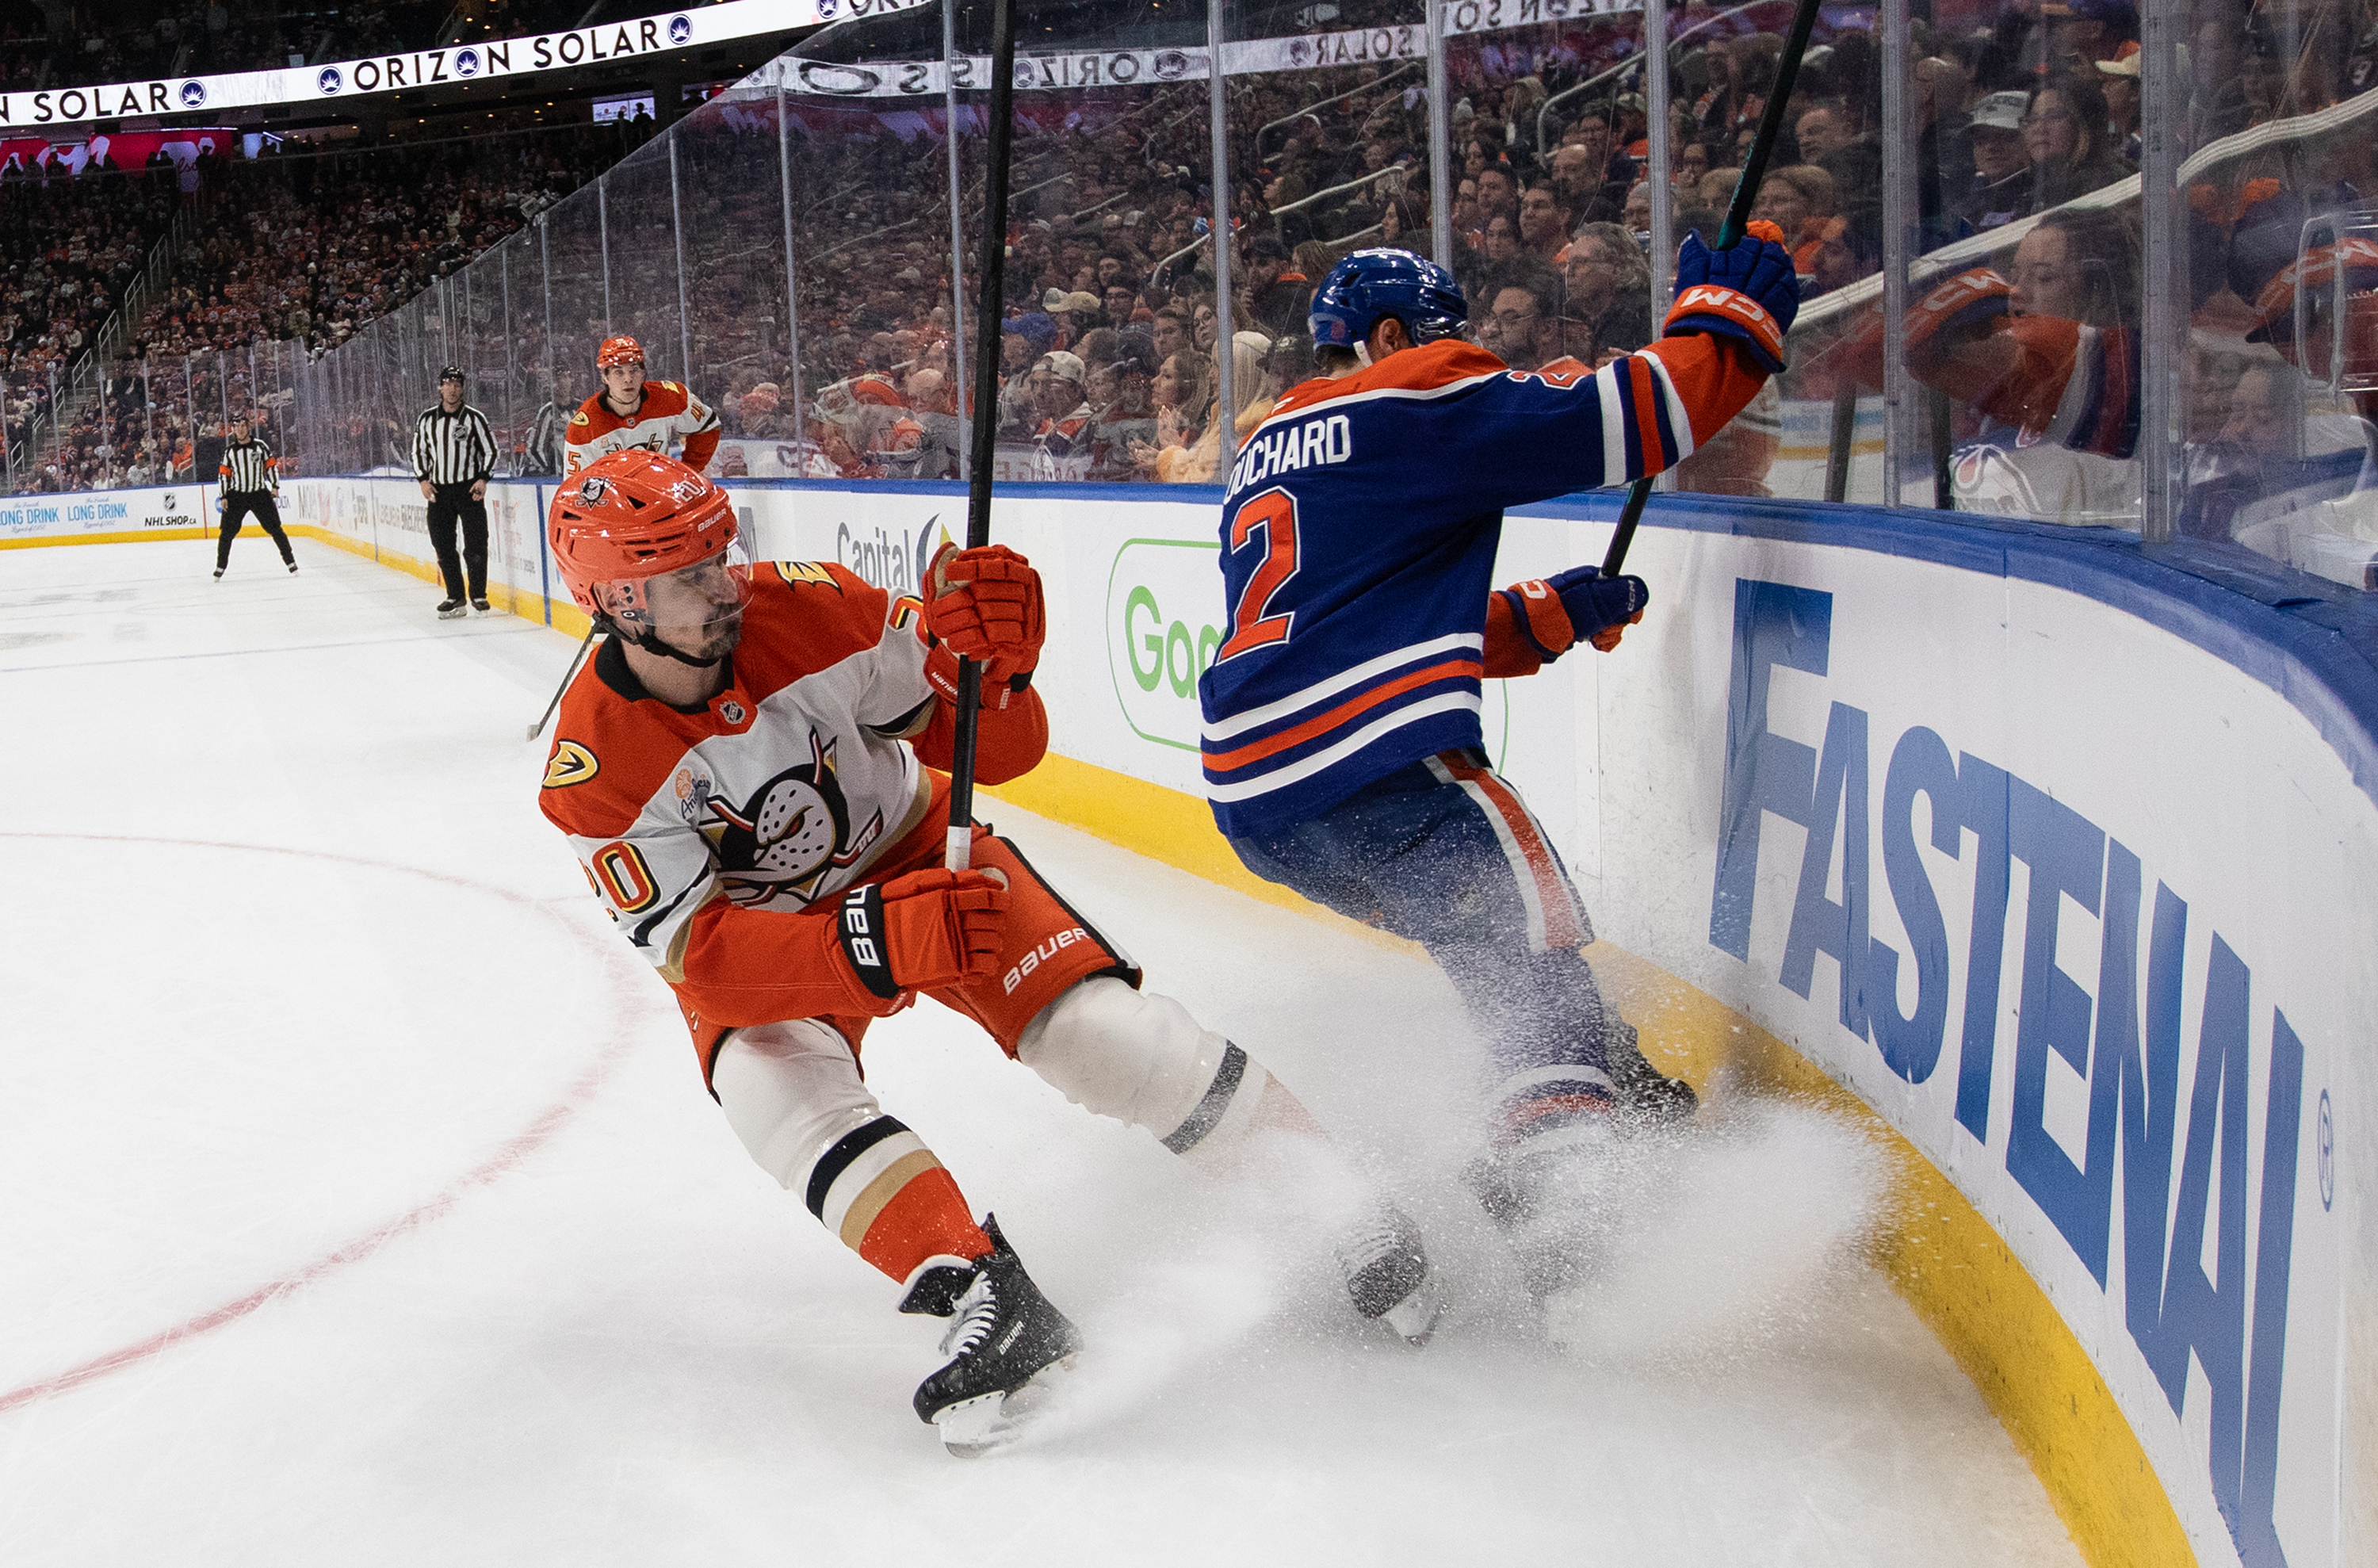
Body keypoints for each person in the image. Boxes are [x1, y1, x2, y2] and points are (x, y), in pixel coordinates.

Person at [537, 453, 1441, 1453]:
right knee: (766, 1083)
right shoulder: (592, 768)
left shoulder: (814, 606)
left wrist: (998, 674)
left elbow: (1003, 747)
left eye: (720, 552)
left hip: (924, 851)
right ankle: (987, 1295)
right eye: (689, 574)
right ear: (617, 599)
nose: (723, 581)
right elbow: (701, 958)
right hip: (784, 938)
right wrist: (863, 942)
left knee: (1102, 1038)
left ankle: (1335, 1194)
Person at [1199, 232, 1798, 1295]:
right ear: (1391, 337)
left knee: (1484, 937)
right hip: (1369, 762)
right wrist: (1728, 329)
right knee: (1525, 931)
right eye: (1447, 334)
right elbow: (1627, 417)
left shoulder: (1265, 447)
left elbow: (1353, 621)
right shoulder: (1414, 388)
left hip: (1262, 803)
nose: (1466, 352)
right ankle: (1572, 1216)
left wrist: (1542, 616)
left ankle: (1615, 1090)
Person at [564, 335, 722, 478]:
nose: (628, 379)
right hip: (614, 503)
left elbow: (708, 426)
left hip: (660, 494)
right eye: (619, 372)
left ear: (643, 372)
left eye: (634, 370)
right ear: (605, 377)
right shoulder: (585, 426)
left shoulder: (670, 396)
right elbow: (576, 488)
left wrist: (688, 471)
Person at [411, 366, 499, 618]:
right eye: (448, 384)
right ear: (440, 387)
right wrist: (423, 480)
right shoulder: (427, 419)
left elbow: (492, 450)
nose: (452, 389)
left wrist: (483, 478)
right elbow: (418, 452)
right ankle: (455, 595)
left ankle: (479, 596)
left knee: (476, 545)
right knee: (443, 545)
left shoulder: (474, 418)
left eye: (457, 384)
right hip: (439, 493)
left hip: (469, 491)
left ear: (462, 388)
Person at [211, 411, 294, 579]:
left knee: (275, 529)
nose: (240, 430)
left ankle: (291, 562)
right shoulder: (229, 452)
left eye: (243, 426)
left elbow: (271, 466)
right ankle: (220, 567)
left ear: (248, 427)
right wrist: (224, 496)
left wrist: (275, 486)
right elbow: (224, 475)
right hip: (236, 496)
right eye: (236, 426)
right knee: (226, 533)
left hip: (259, 494)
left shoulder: (260, 446)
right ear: (232, 429)